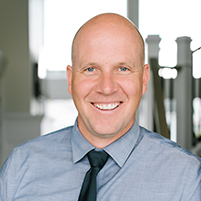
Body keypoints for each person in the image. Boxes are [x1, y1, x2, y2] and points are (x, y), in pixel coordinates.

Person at [0, 13, 200, 201]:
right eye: (90, 69)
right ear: (70, 80)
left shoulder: (186, 177)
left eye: (123, 69)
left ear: (144, 78)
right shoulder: (19, 167)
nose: (106, 87)